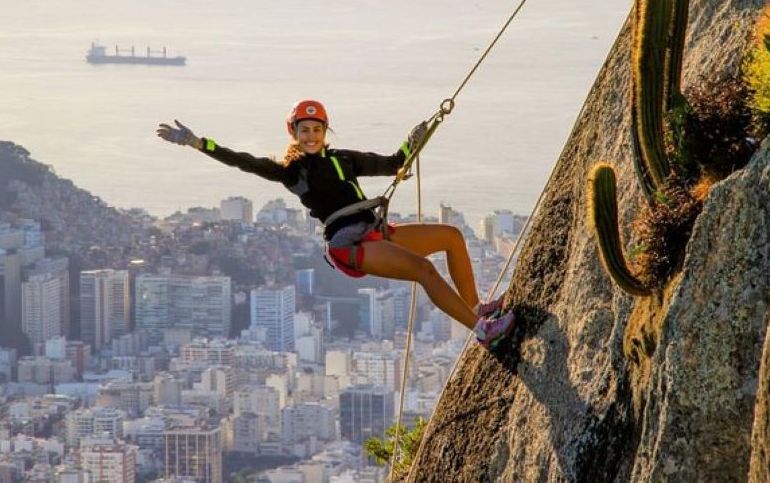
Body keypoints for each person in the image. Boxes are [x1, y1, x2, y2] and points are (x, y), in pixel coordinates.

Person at [157, 99, 515, 347]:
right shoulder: (290, 172)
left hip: (378, 231)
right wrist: (199, 143)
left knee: (451, 237)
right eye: (304, 129)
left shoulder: (344, 159)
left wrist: (414, 141)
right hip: (350, 244)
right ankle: (481, 331)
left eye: (316, 128)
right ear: (293, 133)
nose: (310, 135)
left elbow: (392, 163)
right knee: (423, 270)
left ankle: (473, 308)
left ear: (324, 131)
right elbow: (242, 161)